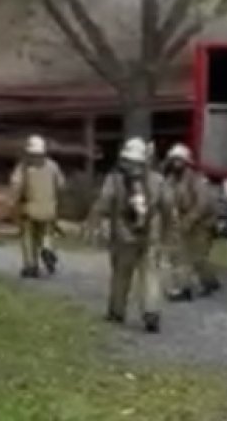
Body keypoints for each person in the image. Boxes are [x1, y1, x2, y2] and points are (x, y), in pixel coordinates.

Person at [86, 137, 171, 333]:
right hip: (151, 235)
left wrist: (96, 222)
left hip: (124, 236)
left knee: (121, 275)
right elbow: (167, 206)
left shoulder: (114, 179)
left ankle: (117, 311)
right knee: (151, 275)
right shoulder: (157, 180)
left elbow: (104, 203)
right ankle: (151, 312)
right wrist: (167, 231)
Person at [162, 143, 221, 301]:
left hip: (203, 223)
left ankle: (207, 282)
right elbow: (167, 198)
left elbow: (203, 204)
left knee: (198, 256)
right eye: (174, 160)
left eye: (179, 161)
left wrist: (189, 220)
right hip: (185, 221)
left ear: (186, 162)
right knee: (182, 256)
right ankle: (185, 288)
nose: (176, 164)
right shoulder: (171, 180)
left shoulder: (196, 180)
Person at [10, 135, 65, 278]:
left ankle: (31, 266)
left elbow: (16, 186)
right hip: (49, 209)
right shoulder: (53, 166)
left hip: (30, 209)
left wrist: (13, 202)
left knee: (28, 236)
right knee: (46, 233)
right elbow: (61, 185)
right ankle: (47, 248)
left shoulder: (24, 167)